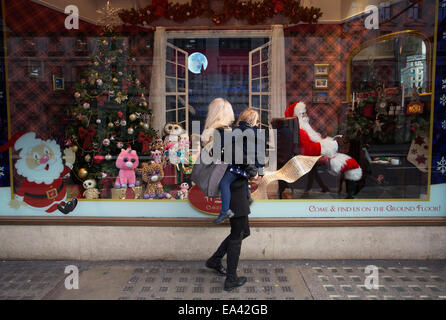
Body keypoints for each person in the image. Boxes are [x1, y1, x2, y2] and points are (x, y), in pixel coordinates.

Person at [202, 98, 254, 291]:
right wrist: (252, 168)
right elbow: (236, 157)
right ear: (225, 113)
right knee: (239, 232)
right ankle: (231, 279)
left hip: (233, 187)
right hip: (235, 188)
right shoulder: (223, 132)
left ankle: (215, 260)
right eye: (230, 111)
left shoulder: (212, 133)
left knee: (243, 231)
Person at [214, 108, 264, 224]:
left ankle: (225, 210)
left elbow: (225, 143)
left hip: (238, 166)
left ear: (243, 118)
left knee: (224, 183)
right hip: (249, 168)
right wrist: (260, 170)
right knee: (243, 178)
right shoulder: (258, 134)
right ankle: (248, 197)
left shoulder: (240, 130)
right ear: (255, 122)